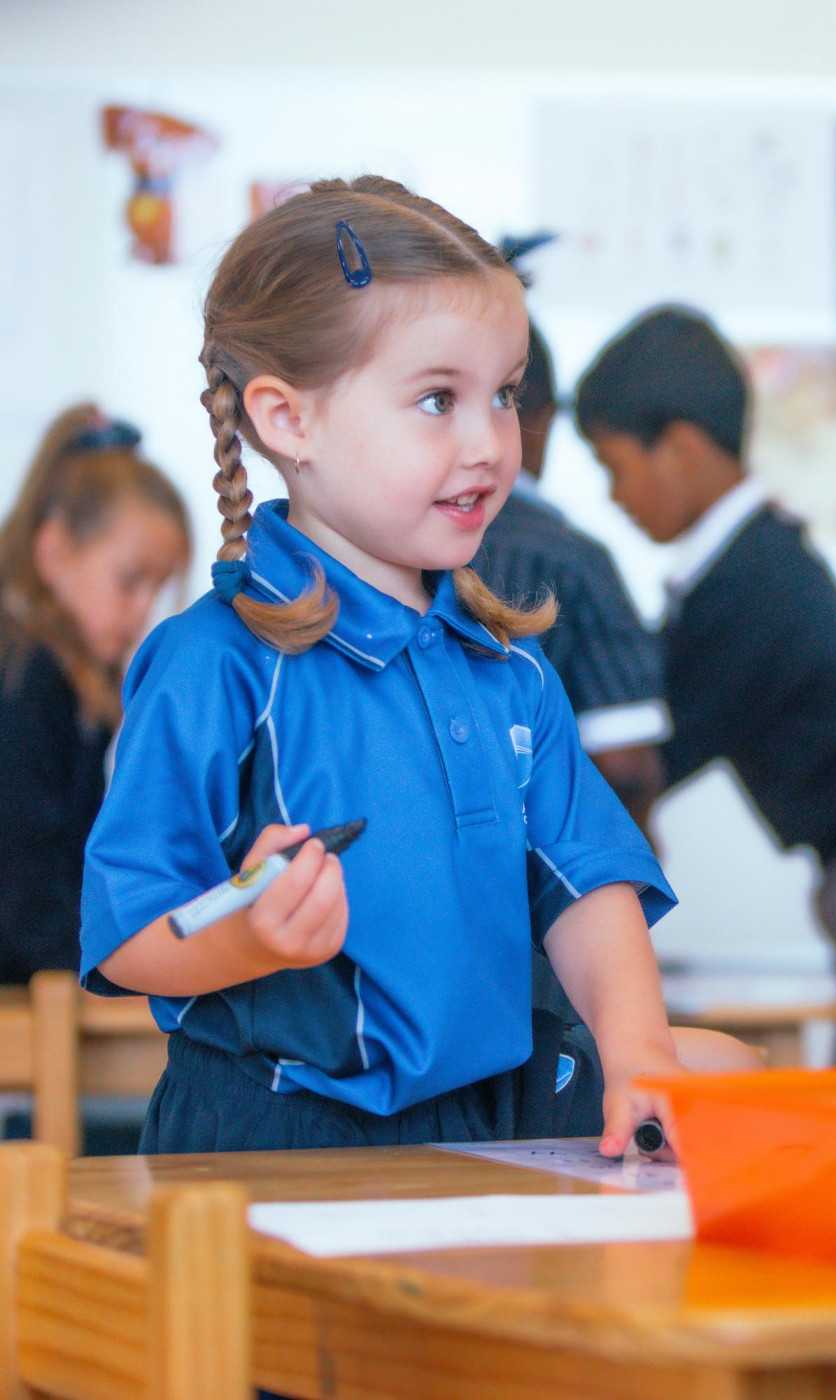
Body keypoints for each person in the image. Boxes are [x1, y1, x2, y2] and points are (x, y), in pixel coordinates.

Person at [79, 177, 754, 1158]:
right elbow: (132, 934)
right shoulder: (211, 662)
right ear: (287, 419)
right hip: (279, 1127)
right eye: (437, 399)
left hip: (477, 1108)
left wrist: (636, 1044)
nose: (489, 442)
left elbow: (588, 883)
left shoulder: (508, 670)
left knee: (725, 1067)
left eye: (505, 395)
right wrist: (251, 937)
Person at [575, 306, 836, 1064]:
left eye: (614, 465)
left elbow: (652, 749)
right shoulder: (745, 563)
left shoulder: (745, 581)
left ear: (681, 447)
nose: (615, 495)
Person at [0, 404, 189, 984]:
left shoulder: (79, 688)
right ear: (55, 552)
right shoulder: (26, 683)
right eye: (130, 581)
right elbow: (28, 885)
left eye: (156, 588)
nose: (142, 612)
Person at [475, 321, 668, 832]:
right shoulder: (574, 559)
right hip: (544, 876)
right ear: (544, 415)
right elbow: (623, 765)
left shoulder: (389, 552)